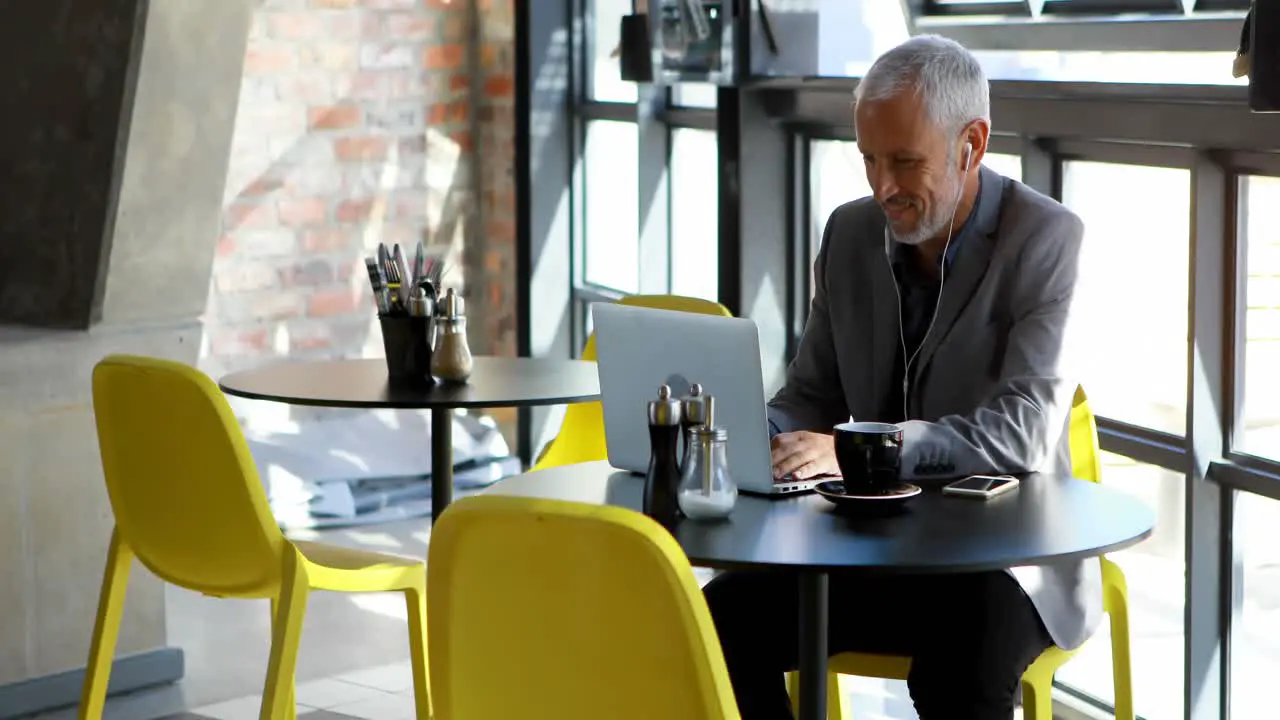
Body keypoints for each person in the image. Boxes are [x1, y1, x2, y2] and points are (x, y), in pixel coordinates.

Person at [702, 35, 1097, 720]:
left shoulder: (1046, 238)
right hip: (865, 548)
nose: (883, 186)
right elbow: (813, 393)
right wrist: (749, 435)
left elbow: (1024, 435)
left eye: (905, 162)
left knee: (959, 664)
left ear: (971, 144)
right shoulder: (849, 234)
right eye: (868, 159)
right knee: (715, 623)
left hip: (1001, 562)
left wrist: (863, 445)